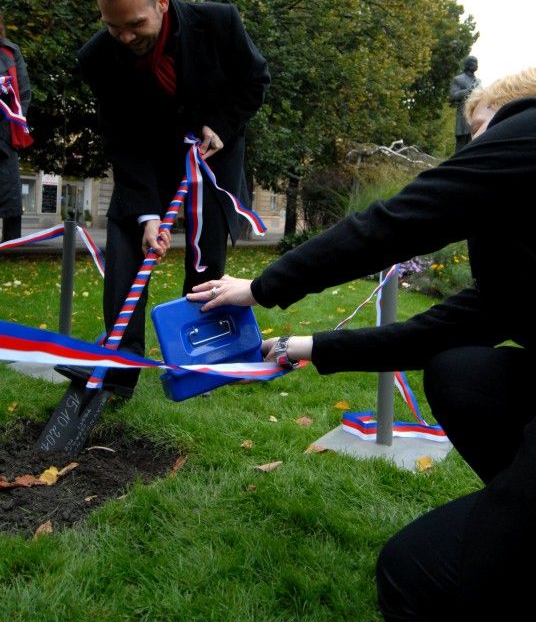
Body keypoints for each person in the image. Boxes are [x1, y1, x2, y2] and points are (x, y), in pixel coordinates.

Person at [187, 66, 536, 621]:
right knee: (460, 372)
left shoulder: (529, 131)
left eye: (480, 137)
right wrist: (306, 347)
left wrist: (259, 287)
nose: (470, 154)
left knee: (413, 573)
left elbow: (393, 223)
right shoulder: (520, 268)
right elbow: (437, 332)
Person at [56, 0, 269, 397]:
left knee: (204, 263)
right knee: (124, 245)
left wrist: (223, 126)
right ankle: (119, 365)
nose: (125, 35)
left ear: (162, 2)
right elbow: (121, 139)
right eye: (114, 26)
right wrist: (146, 213)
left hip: (210, 158)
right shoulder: (98, 59)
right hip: (146, 162)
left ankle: (201, 361)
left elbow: (255, 80)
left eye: (135, 24)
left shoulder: (218, 24)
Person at [0, 12, 32, 242]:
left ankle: (12, 250)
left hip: (4, 137)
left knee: (10, 200)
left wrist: (14, 125)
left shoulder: (10, 53)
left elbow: (23, 94)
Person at [448, 54, 482, 151]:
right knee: (462, 143)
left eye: (477, 63)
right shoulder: (458, 79)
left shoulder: (478, 81)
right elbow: (452, 96)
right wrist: (467, 91)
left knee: (474, 141)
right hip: (463, 115)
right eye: (474, 62)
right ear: (468, 64)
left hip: (476, 114)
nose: (476, 65)